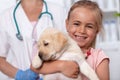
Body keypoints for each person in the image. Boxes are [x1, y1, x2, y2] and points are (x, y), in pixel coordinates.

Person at [0, 0, 79, 80]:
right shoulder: (6, 17)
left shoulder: (59, 11)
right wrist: (19, 75)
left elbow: (71, 46)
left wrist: (59, 66)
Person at [65, 0, 110, 80]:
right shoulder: (59, 51)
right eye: (76, 24)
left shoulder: (99, 57)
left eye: (89, 26)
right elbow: (37, 67)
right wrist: (60, 66)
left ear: (97, 30)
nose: (82, 30)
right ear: (67, 24)